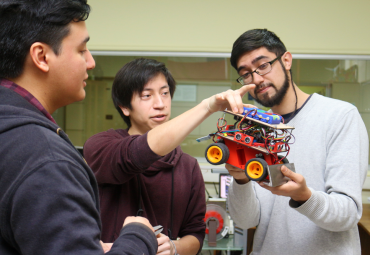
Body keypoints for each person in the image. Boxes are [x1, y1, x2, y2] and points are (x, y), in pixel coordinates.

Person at [0, 1, 158, 254]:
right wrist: (138, 237)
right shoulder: (47, 161)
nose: (91, 62)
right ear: (41, 56)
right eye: (82, 50)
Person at [83, 58, 253, 255]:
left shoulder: (188, 167)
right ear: (124, 107)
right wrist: (207, 107)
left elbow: (195, 234)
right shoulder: (101, 146)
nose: (160, 104)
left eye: (165, 93)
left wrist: (174, 247)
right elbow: (135, 154)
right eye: (147, 95)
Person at [225, 28, 369, 255]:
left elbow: (347, 214)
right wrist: (241, 180)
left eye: (263, 65)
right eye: (246, 73)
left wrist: (304, 196)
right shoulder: (255, 129)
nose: (257, 79)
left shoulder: (340, 117)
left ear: (286, 60)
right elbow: (245, 221)